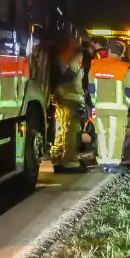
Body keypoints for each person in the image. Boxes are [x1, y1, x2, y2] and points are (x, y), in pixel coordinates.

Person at [89, 39, 130, 173]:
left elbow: (91, 88)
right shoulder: (124, 67)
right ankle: (113, 163)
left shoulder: (95, 65)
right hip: (118, 109)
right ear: (122, 53)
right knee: (115, 135)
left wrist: (95, 101)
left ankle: (104, 162)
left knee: (102, 134)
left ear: (109, 50)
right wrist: (127, 102)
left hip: (100, 107)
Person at [53, 38, 88, 173]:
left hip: (61, 97)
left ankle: (57, 158)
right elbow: (71, 75)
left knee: (61, 130)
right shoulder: (77, 57)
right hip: (71, 97)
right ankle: (70, 162)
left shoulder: (63, 55)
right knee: (72, 131)